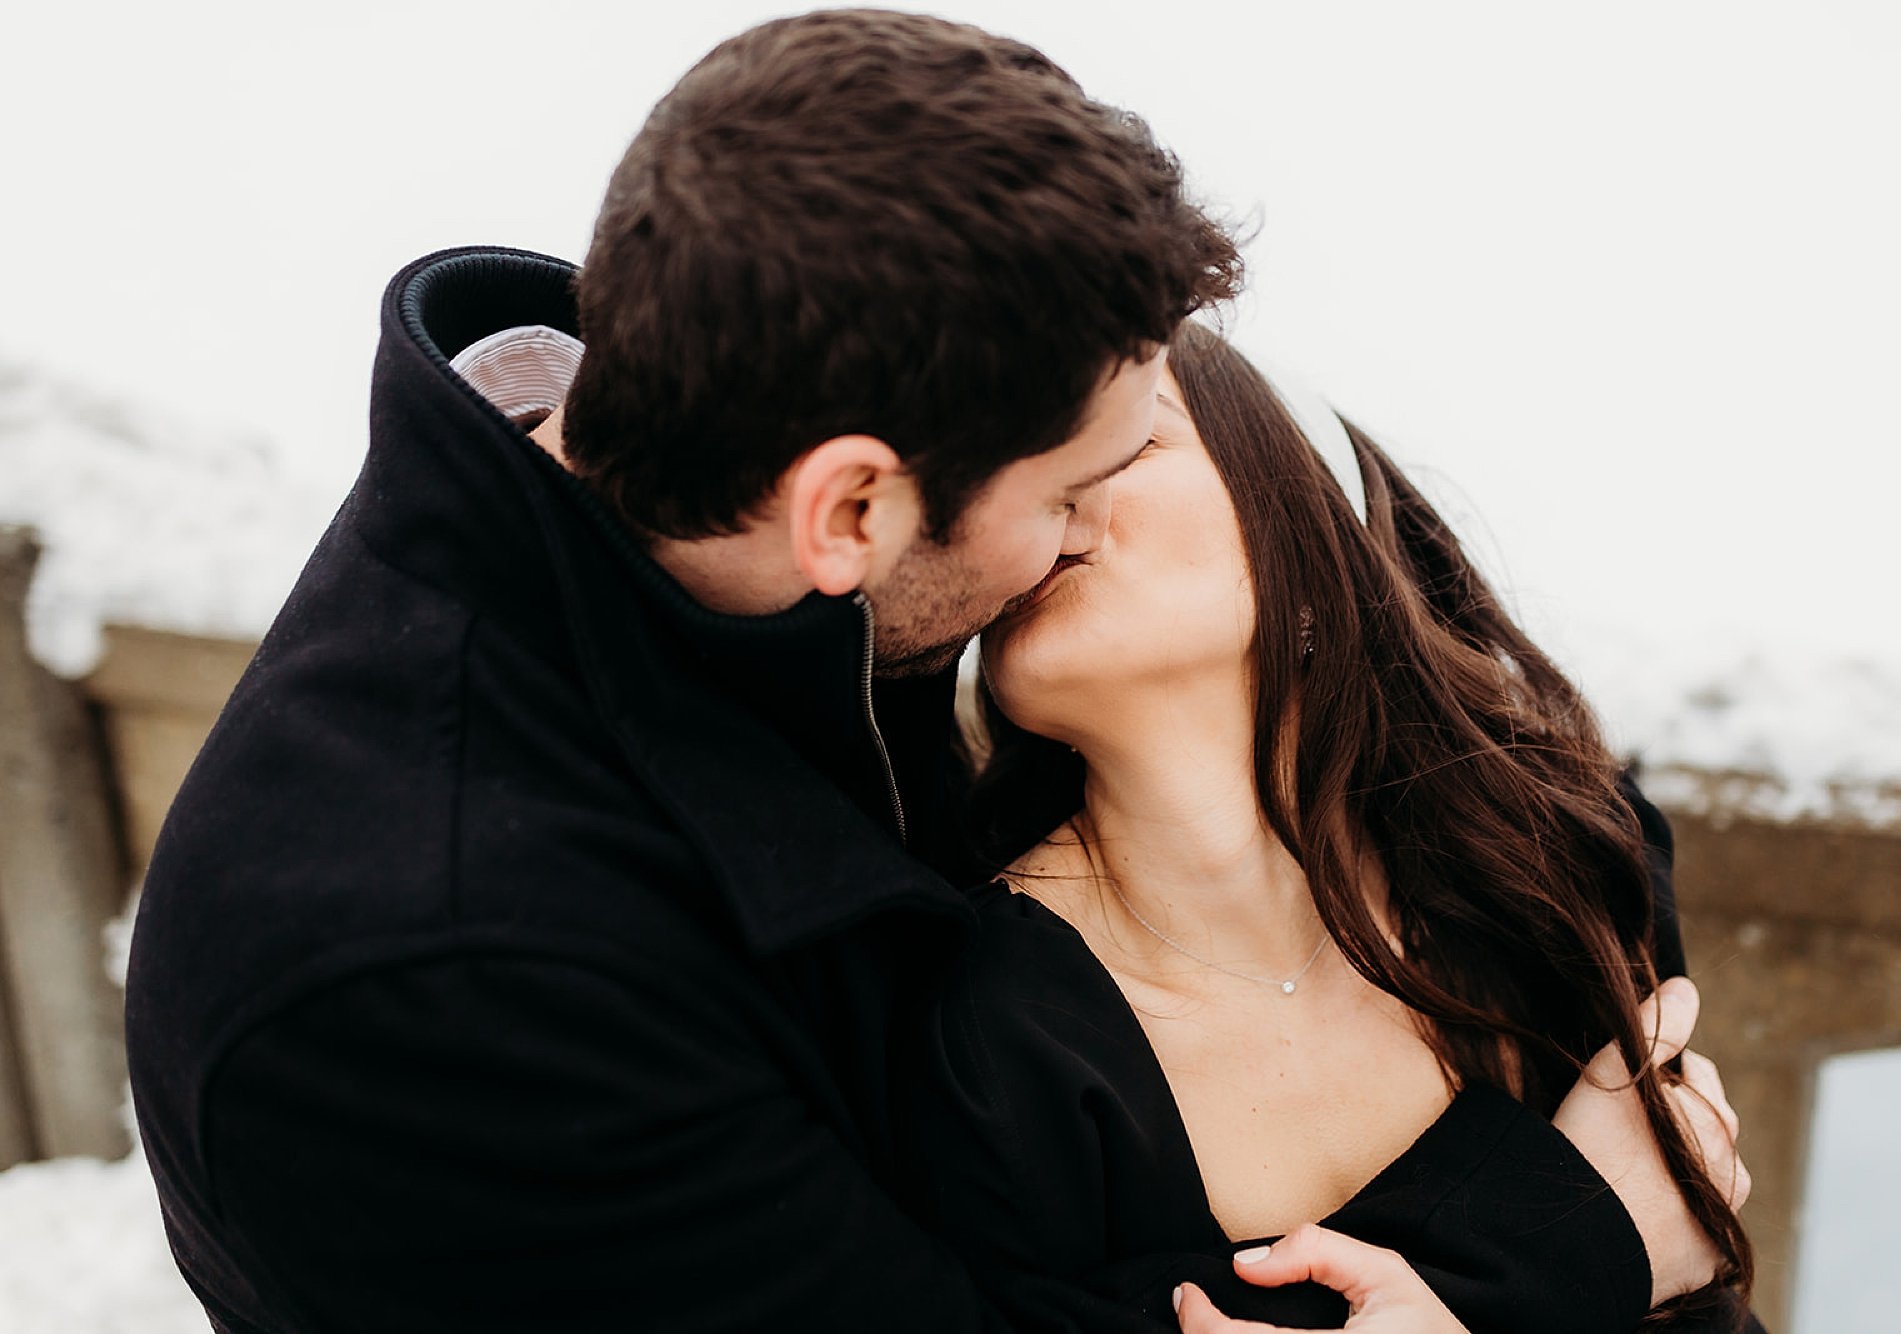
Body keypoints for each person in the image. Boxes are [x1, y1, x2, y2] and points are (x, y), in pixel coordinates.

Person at [122, 10, 1743, 1333]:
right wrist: (1561, 1237)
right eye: (1064, 492)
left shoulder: (719, 508)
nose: (1073, 538)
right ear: (852, 507)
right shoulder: (438, 977)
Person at [899, 322, 1761, 1332]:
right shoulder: (973, 1031)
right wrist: (1573, 1244)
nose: (1041, 504)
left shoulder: (1550, 870)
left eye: (1121, 444)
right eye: (1015, 473)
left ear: (1305, 526)